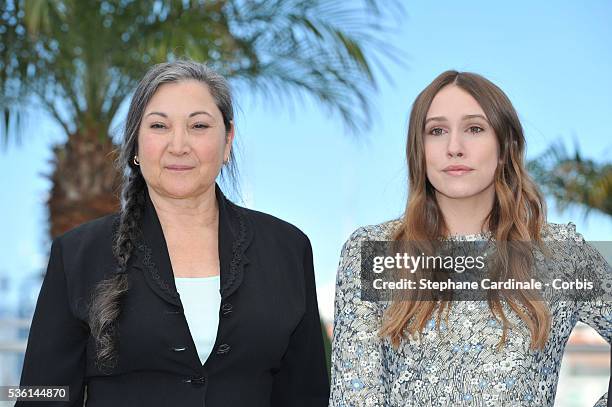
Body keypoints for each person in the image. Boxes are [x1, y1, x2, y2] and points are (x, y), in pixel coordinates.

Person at [17, 59, 330, 406]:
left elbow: (307, 394)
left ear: (227, 141)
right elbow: (40, 396)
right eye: (159, 126)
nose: (178, 145)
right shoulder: (76, 254)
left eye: (198, 126)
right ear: (135, 144)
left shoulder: (287, 248)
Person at [329, 70, 611, 406]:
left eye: (474, 129)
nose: (454, 148)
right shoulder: (373, 252)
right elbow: (354, 396)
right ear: (419, 150)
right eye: (436, 131)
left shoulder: (561, 256)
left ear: (505, 147)